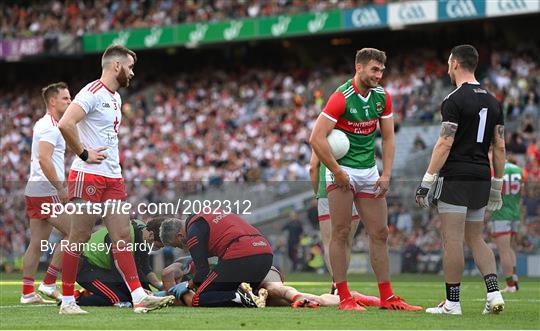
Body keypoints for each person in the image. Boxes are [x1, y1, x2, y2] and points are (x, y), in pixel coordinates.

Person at [57, 45, 172, 314]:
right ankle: (67, 301)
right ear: (116, 66)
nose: (132, 73)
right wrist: (84, 153)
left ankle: (138, 297)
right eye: (130, 67)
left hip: (112, 177)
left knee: (123, 235)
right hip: (88, 175)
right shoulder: (92, 92)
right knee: (79, 236)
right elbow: (65, 123)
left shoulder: (117, 98)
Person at [309, 48, 421, 311]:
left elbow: (389, 137)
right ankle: (344, 298)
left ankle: (388, 297)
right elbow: (316, 138)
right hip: (342, 172)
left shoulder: (382, 96)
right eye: (374, 69)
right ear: (359, 68)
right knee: (341, 233)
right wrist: (336, 171)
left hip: (370, 172)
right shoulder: (341, 97)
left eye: (382, 70)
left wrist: (386, 174)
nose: (379, 75)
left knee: (380, 233)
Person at [415, 44, 506, 315]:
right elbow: (499, 147)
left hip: (457, 175)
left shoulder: (453, 99)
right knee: (476, 238)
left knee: (452, 240)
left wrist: (427, 180)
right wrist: (497, 185)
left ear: (454, 63)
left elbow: (444, 143)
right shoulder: (493, 101)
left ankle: (452, 303)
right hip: (481, 175)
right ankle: (494, 294)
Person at [21, 82, 73, 304]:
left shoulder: (49, 124)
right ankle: (49, 282)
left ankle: (27, 292)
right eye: (66, 99)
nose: (70, 102)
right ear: (53, 101)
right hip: (45, 189)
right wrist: (60, 187)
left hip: (37, 188)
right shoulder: (49, 127)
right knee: (76, 233)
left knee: (37, 242)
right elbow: (44, 159)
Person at [160, 258, 380, 309]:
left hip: (260, 274)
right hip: (253, 289)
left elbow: (170, 271)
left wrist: (171, 288)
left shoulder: (192, 263)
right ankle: (348, 297)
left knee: (273, 288)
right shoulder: (196, 272)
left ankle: (296, 298)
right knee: (315, 301)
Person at [159, 213, 273, 308]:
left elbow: (202, 272)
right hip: (266, 254)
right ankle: (255, 295)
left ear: (180, 236)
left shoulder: (193, 232)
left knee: (198, 299)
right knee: (230, 290)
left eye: (177, 245)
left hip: (241, 255)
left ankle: (240, 297)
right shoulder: (206, 215)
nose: (182, 248)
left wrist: (187, 285)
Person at [75, 218, 171, 307]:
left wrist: (160, 286)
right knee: (119, 299)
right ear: (151, 235)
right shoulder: (124, 237)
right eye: (159, 246)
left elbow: (144, 268)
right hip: (86, 268)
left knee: (138, 296)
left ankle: (93, 292)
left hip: (102, 269)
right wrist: (139, 291)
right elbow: (117, 273)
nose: (159, 249)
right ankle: (77, 298)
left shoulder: (142, 233)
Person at [309, 151, 360, 293]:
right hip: (353, 185)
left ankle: (337, 284)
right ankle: (341, 284)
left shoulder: (322, 134)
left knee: (329, 242)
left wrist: (317, 193)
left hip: (326, 189)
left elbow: (313, 167)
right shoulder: (356, 130)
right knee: (347, 242)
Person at [489, 154, 525, 293]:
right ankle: (514, 281)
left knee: (504, 251)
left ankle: (510, 285)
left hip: (501, 213)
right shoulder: (519, 170)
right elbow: (522, 192)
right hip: (515, 212)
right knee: (510, 249)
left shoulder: (495, 170)